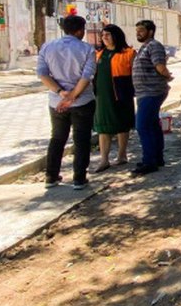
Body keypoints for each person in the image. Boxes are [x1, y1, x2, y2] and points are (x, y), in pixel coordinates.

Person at [36, 15, 97, 190]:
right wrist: (73, 96)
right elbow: (87, 76)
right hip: (83, 101)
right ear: (80, 30)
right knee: (81, 139)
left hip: (56, 102)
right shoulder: (87, 49)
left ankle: (51, 176)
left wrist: (61, 93)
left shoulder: (47, 47)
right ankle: (79, 178)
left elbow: (42, 74)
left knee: (57, 138)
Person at [92, 24, 136, 173]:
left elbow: (135, 74)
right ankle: (104, 159)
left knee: (122, 124)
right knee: (103, 126)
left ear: (116, 36)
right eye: (103, 35)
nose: (104, 37)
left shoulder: (129, 53)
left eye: (108, 35)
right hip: (102, 95)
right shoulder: (99, 54)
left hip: (121, 93)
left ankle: (122, 155)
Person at [133, 20, 173, 176]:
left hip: (152, 92)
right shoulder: (145, 47)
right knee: (152, 125)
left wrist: (168, 76)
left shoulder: (154, 46)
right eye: (137, 30)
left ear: (150, 31)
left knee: (142, 126)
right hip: (145, 92)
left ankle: (149, 162)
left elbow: (160, 66)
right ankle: (157, 158)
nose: (138, 33)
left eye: (141, 30)